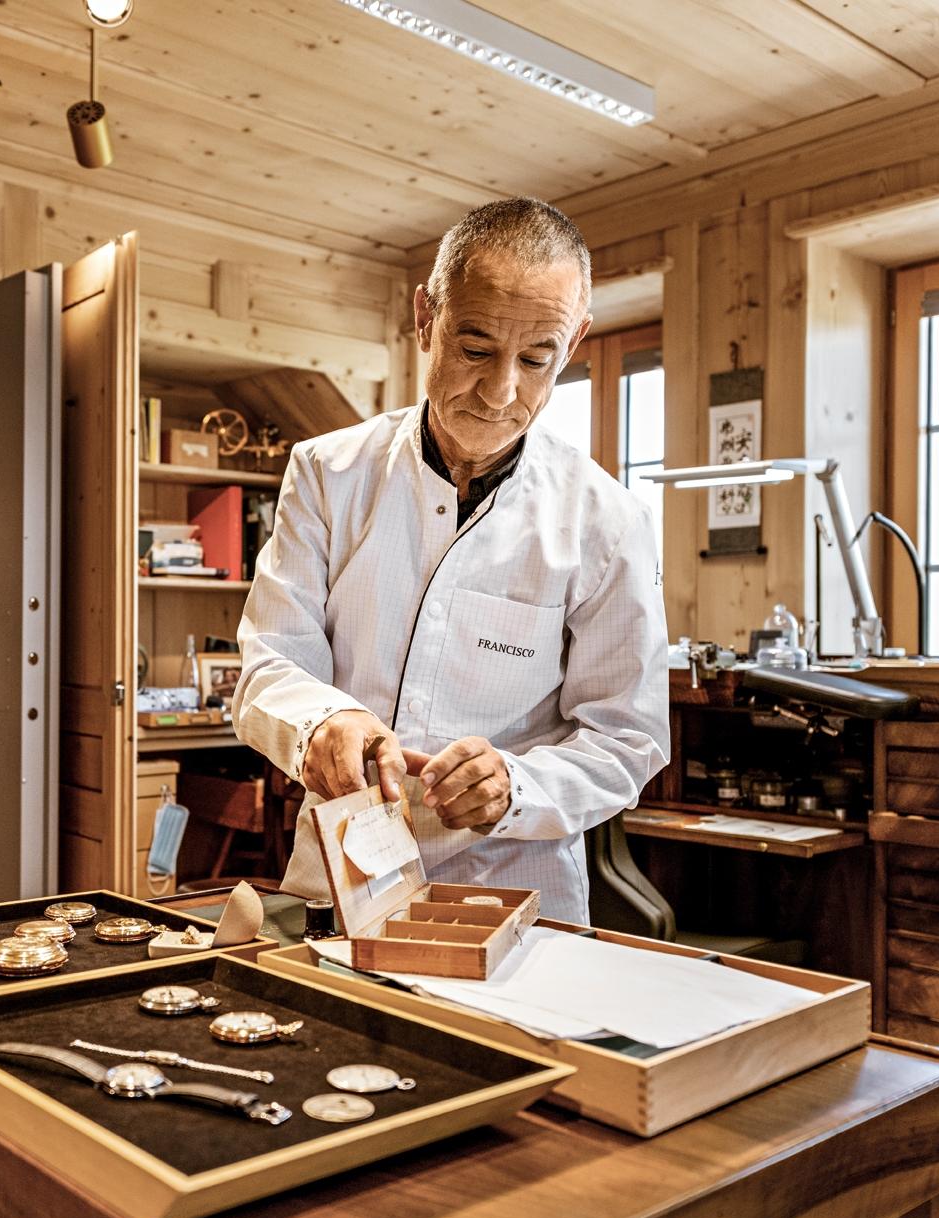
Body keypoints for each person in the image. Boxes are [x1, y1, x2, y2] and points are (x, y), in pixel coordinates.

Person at [230, 196, 670, 922]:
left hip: (518, 898)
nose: (501, 392)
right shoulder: (328, 474)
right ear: (426, 316)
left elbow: (628, 736)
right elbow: (268, 665)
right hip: (338, 886)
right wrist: (323, 723)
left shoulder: (608, 520)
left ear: (577, 339)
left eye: (537, 360)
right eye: (475, 348)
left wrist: (517, 785)